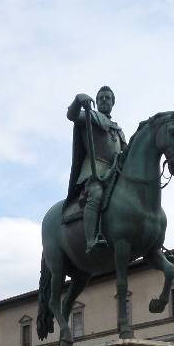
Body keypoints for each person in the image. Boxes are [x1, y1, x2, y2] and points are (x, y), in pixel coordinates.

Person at [65, 86, 128, 254]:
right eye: (101, 98)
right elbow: (71, 115)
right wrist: (78, 99)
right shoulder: (89, 117)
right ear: (97, 101)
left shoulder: (118, 131)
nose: (104, 100)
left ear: (113, 102)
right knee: (96, 193)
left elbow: (125, 153)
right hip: (95, 170)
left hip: (114, 172)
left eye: (108, 98)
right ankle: (91, 239)